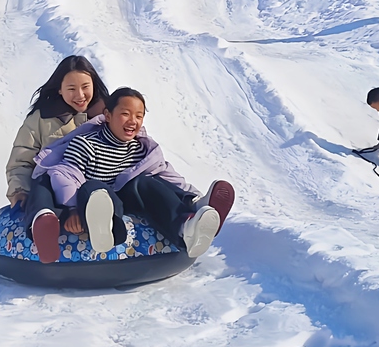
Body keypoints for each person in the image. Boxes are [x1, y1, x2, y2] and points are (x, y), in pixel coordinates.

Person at [32, 87, 235, 259]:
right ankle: (105, 226)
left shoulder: (141, 148)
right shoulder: (85, 144)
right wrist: (72, 209)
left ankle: (187, 223)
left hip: (125, 200)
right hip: (90, 201)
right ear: (108, 115)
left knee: (145, 182)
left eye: (139, 116)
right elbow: (66, 176)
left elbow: (166, 175)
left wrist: (192, 195)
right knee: (95, 188)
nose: (133, 121)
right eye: (125, 114)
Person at [7, 56, 110, 262]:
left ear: (94, 86)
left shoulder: (108, 115)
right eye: (71, 88)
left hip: (94, 185)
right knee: (42, 185)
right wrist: (19, 191)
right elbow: (21, 159)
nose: (80, 95)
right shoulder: (41, 119)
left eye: (85, 87)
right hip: (53, 188)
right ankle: (43, 223)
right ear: (59, 89)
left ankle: (104, 225)